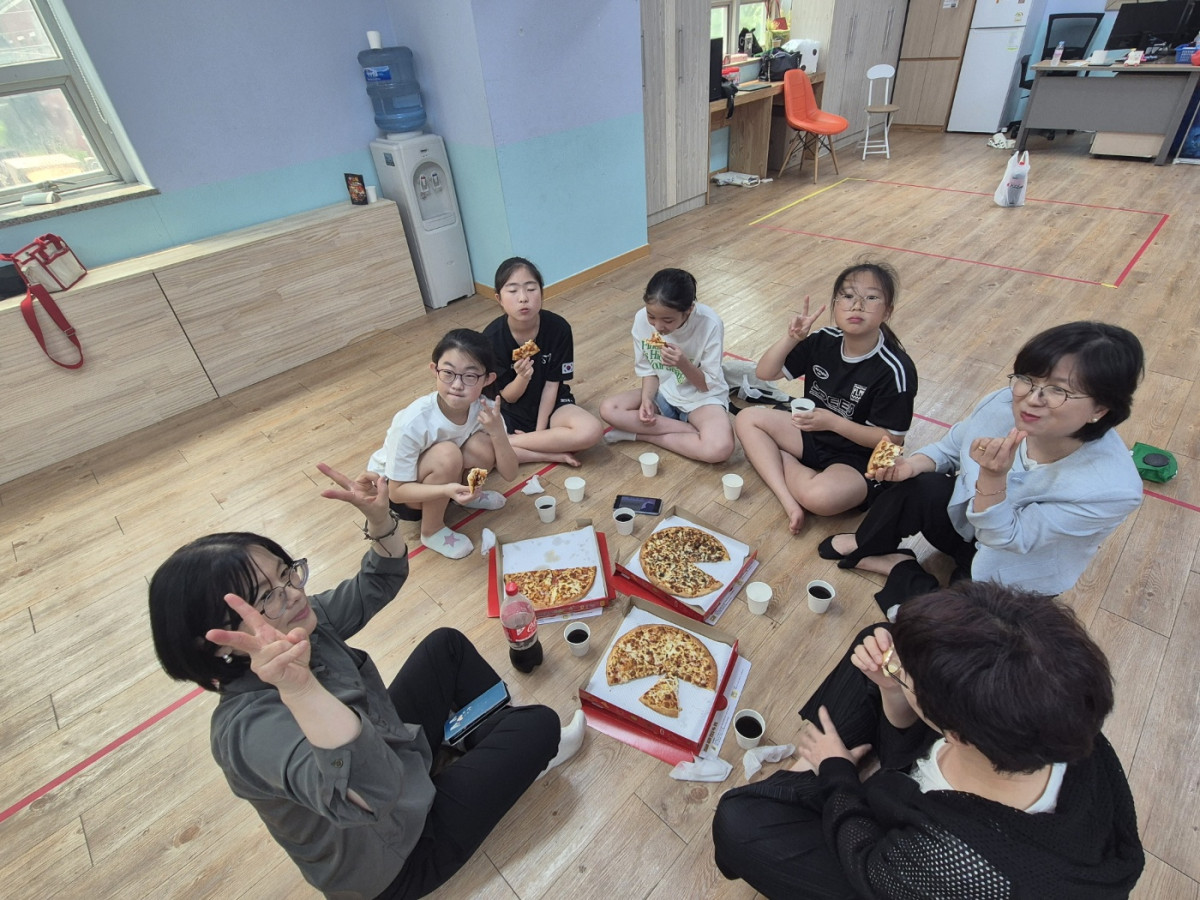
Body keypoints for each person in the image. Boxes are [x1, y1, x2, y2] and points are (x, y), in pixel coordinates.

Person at [147, 463, 586, 900]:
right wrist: (301, 690)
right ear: (215, 644)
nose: (294, 594)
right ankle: (514, 755)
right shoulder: (248, 731)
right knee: (539, 724)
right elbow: (371, 792)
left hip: (400, 761)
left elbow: (376, 582)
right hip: (400, 853)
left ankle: (489, 749)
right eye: (267, 597)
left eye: (286, 573)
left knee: (445, 646)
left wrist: (380, 521)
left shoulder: (297, 625)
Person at [712, 580, 1145, 899]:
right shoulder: (1059, 714)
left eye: (909, 679)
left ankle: (811, 766)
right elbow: (911, 759)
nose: (899, 666)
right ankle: (824, 756)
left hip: (891, 872)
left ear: (953, 732)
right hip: (942, 780)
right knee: (876, 641)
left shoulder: (955, 860)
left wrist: (836, 772)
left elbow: (866, 859)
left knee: (739, 822)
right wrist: (892, 689)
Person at [820, 321, 1144, 612]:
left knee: (941, 627)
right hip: (966, 525)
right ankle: (870, 545)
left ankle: (901, 569)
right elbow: (950, 448)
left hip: (1011, 568)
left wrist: (993, 478)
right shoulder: (1002, 404)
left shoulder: (1110, 490)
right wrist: (912, 465)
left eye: (1058, 390)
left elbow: (1008, 538)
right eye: (1028, 379)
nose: (1032, 398)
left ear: (1100, 409)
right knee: (917, 484)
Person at [735, 260, 917, 534]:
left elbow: (892, 441)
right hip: (815, 432)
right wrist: (792, 338)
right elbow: (765, 372)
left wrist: (833, 422)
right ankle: (788, 499)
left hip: (861, 455)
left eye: (871, 298)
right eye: (848, 296)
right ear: (835, 305)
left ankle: (776, 459)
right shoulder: (824, 339)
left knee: (820, 498)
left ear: (887, 311)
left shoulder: (895, 369)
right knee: (746, 418)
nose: (857, 306)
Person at [364, 328, 518, 559]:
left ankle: (469, 494)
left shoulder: (484, 409)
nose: (457, 385)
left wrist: (498, 432)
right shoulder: (414, 420)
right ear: (434, 370)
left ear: (488, 379)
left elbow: (510, 473)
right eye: (448, 373)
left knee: (483, 444)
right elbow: (396, 492)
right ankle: (432, 530)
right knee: (448, 454)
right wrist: (446, 489)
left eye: (470, 376)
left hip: (438, 479)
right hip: (401, 492)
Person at [600, 267, 734, 464]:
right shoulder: (641, 320)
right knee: (609, 409)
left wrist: (683, 364)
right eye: (651, 316)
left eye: (668, 320)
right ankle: (690, 432)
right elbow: (649, 370)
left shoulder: (709, 323)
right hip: (664, 392)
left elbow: (707, 385)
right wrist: (646, 399)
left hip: (702, 398)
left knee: (719, 449)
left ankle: (642, 435)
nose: (658, 326)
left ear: (689, 310)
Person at [482, 257, 604, 466]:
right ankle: (549, 453)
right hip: (512, 411)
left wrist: (539, 432)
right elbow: (508, 397)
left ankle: (515, 442)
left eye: (531, 289)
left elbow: (552, 385)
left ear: (541, 292)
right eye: (513, 291)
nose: (523, 298)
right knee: (479, 452)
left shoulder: (558, 328)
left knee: (592, 431)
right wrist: (522, 377)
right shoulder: (491, 339)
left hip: (553, 405)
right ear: (499, 298)